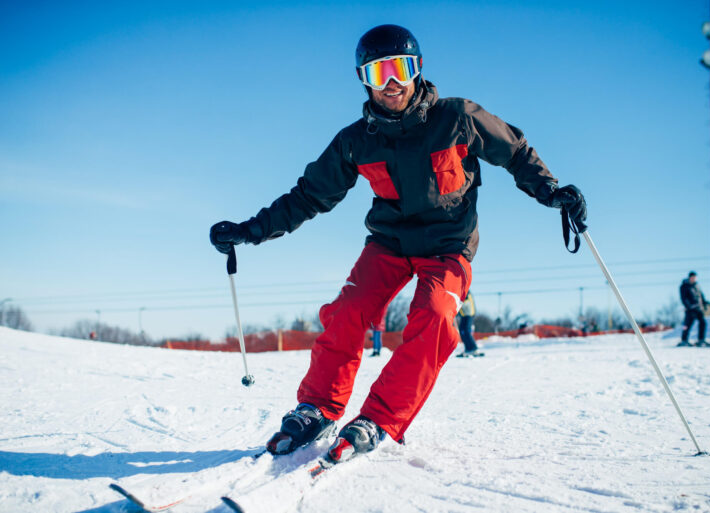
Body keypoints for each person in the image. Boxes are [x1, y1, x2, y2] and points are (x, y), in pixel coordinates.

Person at [209, 24, 587, 464]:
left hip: (449, 245)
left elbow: (516, 151)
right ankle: (317, 407)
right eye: (377, 74)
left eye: (400, 70)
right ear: (362, 80)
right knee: (348, 311)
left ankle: (380, 417)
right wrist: (250, 230)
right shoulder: (356, 141)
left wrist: (551, 191)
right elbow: (309, 196)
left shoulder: (457, 118)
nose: (391, 84)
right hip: (389, 243)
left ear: (418, 70)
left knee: (434, 317)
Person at [678, 271, 710, 347]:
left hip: (698, 308)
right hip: (690, 309)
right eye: (692, 277)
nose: (694, 279)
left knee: (703, 323)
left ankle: (701, 339)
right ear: (689, 277)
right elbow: (683, 298)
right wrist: (688, 306)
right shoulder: (685, 286)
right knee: (687, 324)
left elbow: (701, 296)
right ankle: (684, 340)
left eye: (695, 277)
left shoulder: (697, 285)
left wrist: (704, 303)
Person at [456, 289, 483, 357]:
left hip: (469, 313)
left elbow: (464, 300)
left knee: (466, 331)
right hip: (464, 314)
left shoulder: (465, 289)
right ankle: (468, 348)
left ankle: (474, 348)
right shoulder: (458, 290)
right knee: (462, 331)